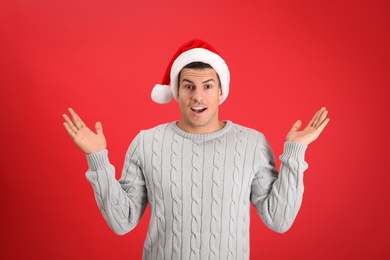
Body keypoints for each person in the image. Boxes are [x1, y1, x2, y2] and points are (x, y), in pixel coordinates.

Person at [63, 39, 329, 260]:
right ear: (176, 92)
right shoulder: (147, 143)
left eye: (207, 86)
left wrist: (295, 151)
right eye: (188, 86)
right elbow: (122, 222)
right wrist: (97, 158)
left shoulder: (252, 143)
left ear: (221, 91)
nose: (198, 97)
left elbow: (279, 220)